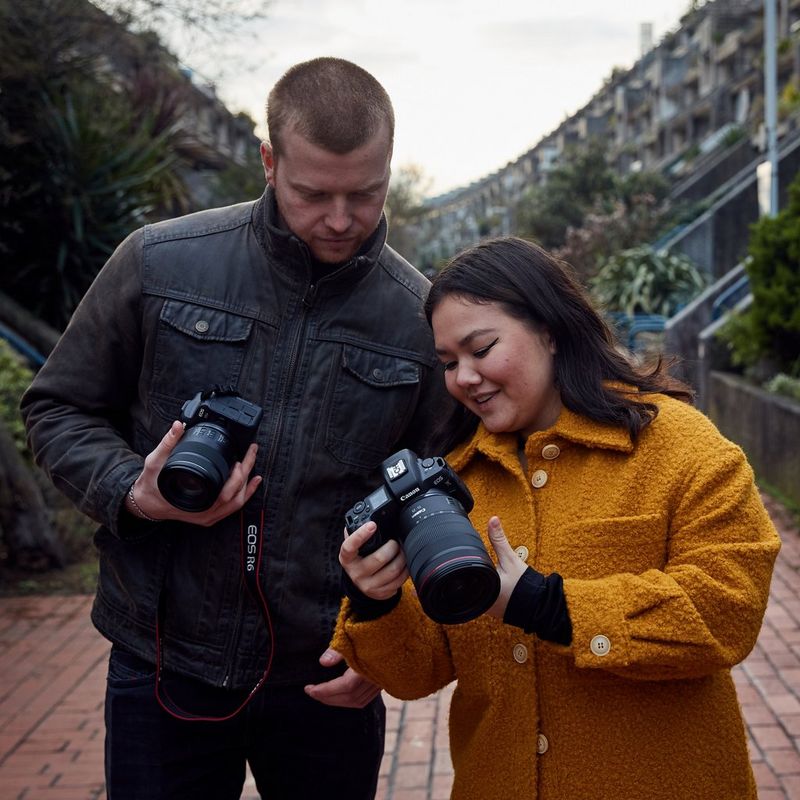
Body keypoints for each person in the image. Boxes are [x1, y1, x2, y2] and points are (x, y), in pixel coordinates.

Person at [21, 57, 453, 799]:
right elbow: (57, 407)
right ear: (268, 159)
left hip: (326, 675)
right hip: (163, 659)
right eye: (314, 194)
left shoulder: (422, 317)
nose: (342, 219)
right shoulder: (158, 263)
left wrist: (392, 637)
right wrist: (135, 488)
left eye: (367, 193)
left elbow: (451, 489)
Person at [333, 236, 782, 800]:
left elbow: (725, 611)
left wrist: (547, 604)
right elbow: (417, 669)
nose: (463, 377)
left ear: (550, 329)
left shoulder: (678, 446)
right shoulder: (454, 482)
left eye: (482, 348)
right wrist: (379, 602)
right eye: (448, 363)